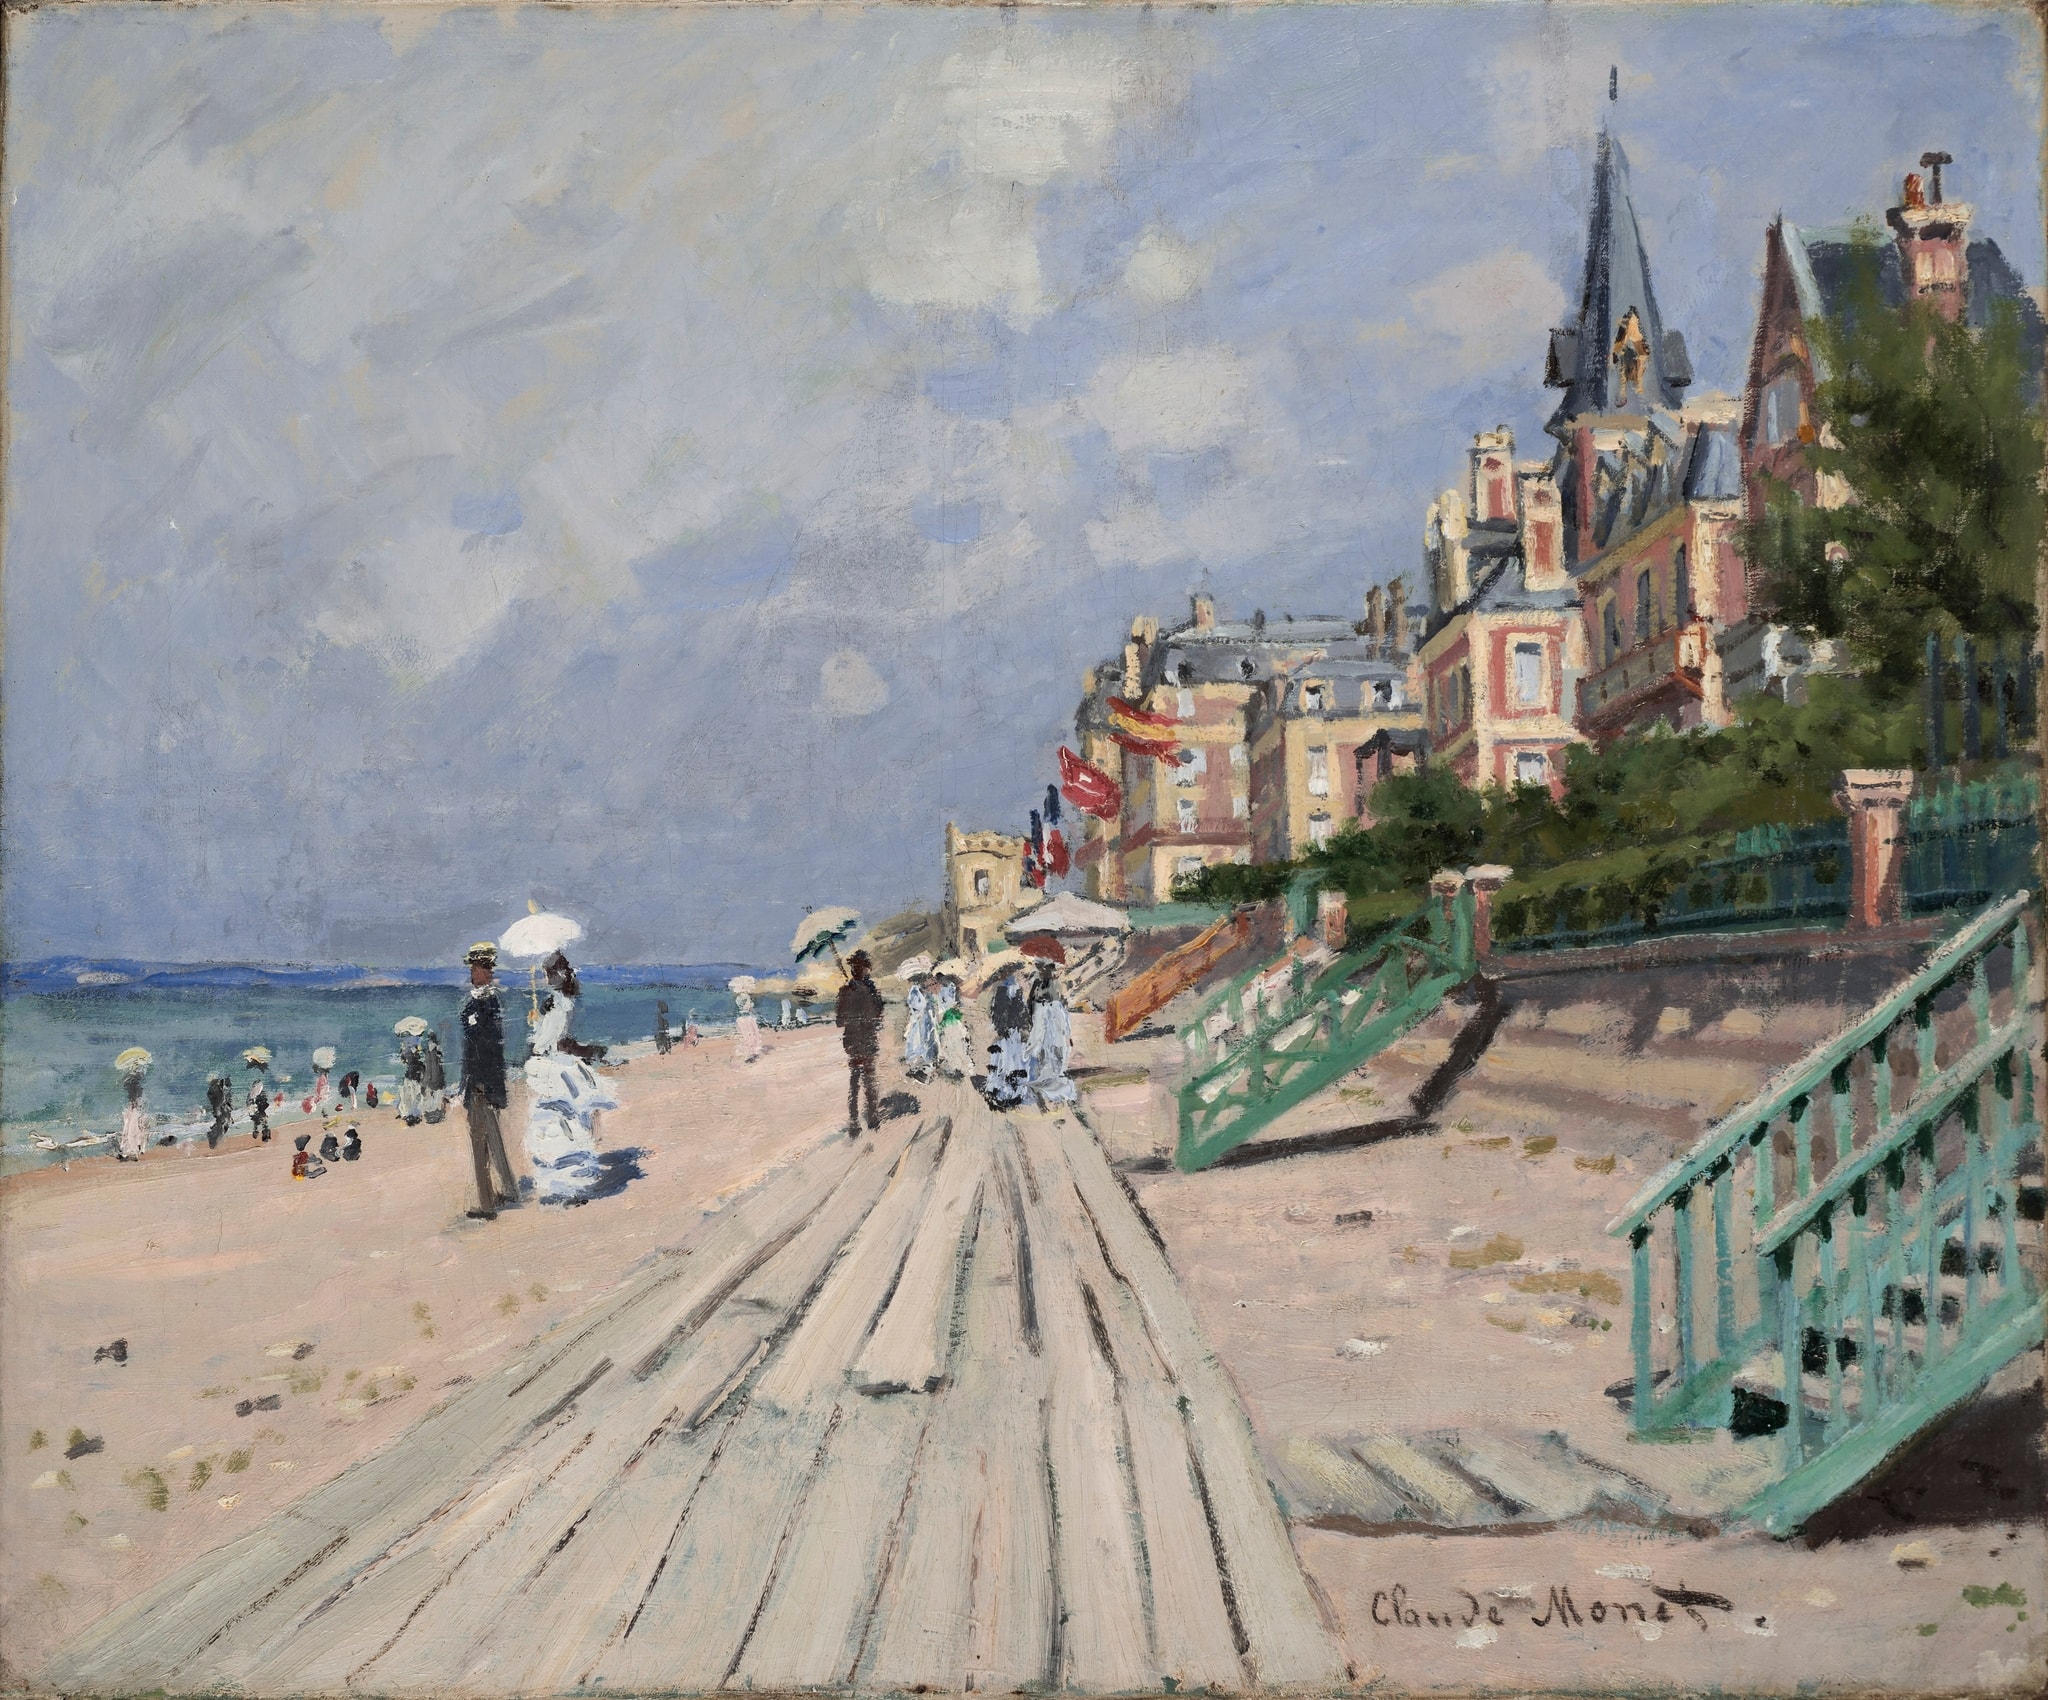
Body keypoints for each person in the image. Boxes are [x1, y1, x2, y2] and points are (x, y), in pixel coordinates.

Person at [523, 951, 617, 1205]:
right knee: (562, 1123)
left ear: (561, 973)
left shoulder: (561, 1003)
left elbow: (560, 1042)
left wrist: (539, 1042)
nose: (547, 978)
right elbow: (555, 1038)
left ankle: (567, 1183)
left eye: (550, 973)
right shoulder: (557, 1001)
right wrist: (538, 1026)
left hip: (557, 1070)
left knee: (562, 1124)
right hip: (554, 1066)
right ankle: (566, 1181)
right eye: (546, 974)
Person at [457, 943, 520, 1221]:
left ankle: (486, 1203)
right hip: (482, 1082)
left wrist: (476, 1084)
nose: (473, 974)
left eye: (476, 969)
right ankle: (509, 1189)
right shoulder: (484, 1002)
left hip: (482, 1083)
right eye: (472, 969)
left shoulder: (486, 1004)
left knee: (479, 1141)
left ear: (486, 971)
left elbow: (487, 1048)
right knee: (492, 1138)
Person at [834, 950, 886, 1136]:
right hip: (862, 1040)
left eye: (859, 966)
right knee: (865, 1080)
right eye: (857, 966)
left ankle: (859, 1120)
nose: (858, 969)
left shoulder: (849, 991)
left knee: (858, 1081)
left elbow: (840, 1021)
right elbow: (878, 1016)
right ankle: (867, 1118)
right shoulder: (865, 991)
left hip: (858, 1041)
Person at [1026, 962, 1077, 1106]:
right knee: (1044, 1049)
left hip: (1053, 1021)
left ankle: (1052, 1077)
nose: (1051, 973)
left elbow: (1062, 1011)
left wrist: (1068, 1033)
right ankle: (1046, 1078)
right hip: (1044, 1019)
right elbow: (1031, 1004)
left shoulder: (1055, 988)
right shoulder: (1039, 985)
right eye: (1048, 970)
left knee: (1055, 1050)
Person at [984, 965, 1033, 1109]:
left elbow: (998, 1013)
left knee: (1005, 1061)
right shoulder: (1012, 989)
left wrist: (1001, 1027)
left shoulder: (1003, 989)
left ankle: (1002, 1091)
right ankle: (1012, 1092)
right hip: (1013, 1032)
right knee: (1013, 1060)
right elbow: (1019, 1012)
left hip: (1008, 1032)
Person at [934, 978, 972, 1080]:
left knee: (945, 1008)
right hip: (952, 1024)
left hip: (949, 1024)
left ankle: (946, 986)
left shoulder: (944, 1055)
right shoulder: (950, 986)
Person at [115, 1050, 150, 1160]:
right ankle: (132, 1151)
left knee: (131, 1129)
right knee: (134, 1129)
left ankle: (132, 1151)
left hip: (134, 1106)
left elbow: (134, 1094)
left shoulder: (133, 1078)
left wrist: (135, 1105)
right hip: (135, 1106)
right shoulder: (136, 1078)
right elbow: (136, 1094)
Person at [902, 974, 937, 1081]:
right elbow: (917, 1008)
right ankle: (919, 1063)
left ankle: (925, 1062)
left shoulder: (925, 992)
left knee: (927, 1039)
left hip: (926, 1020)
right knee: (918, 1040)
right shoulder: (915, 991)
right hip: (919, 1021)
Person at [421, 1031, 448, 1124]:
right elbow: (440, 1058)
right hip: (433, 1073)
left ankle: (433, 1113)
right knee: (434, 1093)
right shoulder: (433, 1049)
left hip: (432, 1073)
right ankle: (434, 1113)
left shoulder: (430, 1050)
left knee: (432, 1093)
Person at [732, 986, 763, 1062]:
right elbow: (748, 1007)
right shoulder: (745, 997)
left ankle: (749, 1053)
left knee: (747, 1036)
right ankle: (750, 1053)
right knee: (751, 1035)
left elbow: (746, 1007)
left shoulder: (740, 998)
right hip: (747, 1018)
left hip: (743, 1018)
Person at [398, 1039, 425, 1125]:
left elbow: (403, 1060)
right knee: (415, 1096)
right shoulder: (414, 1054)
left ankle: (408, 1113)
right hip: (414, 1077)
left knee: (409, 1096)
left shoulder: (407, 1052)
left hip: (411, 1076)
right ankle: (413, 1113)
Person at [245, 1057, 272, 1143]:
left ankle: (254, 1062)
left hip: (256, 1104)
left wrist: (256, 1129)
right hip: (257, 1104)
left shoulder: (259, 1117)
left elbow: (258, 1121)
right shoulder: (261, 1118)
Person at [204, 1073, 233, 1149]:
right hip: (222, 1109)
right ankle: (222, 1082)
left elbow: (221, 1105)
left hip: (222, 1109)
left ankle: (222, 1082)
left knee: (220, 1098)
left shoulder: (222, 1126)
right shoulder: (222, 1124)